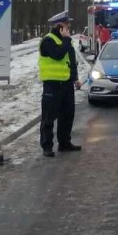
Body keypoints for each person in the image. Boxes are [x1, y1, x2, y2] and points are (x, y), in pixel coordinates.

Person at [38, 11, 82, 156]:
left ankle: (64, 143)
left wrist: (75, 78)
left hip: (67, 85)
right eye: (66, 23)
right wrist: (66, 40)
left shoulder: (66, 40)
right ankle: (47, 146)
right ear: (59, 26)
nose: (69, 25)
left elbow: (71, 62)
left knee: (67, 115)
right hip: (52, 85)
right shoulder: (48, 41)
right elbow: (57, 55)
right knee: (49, 117)